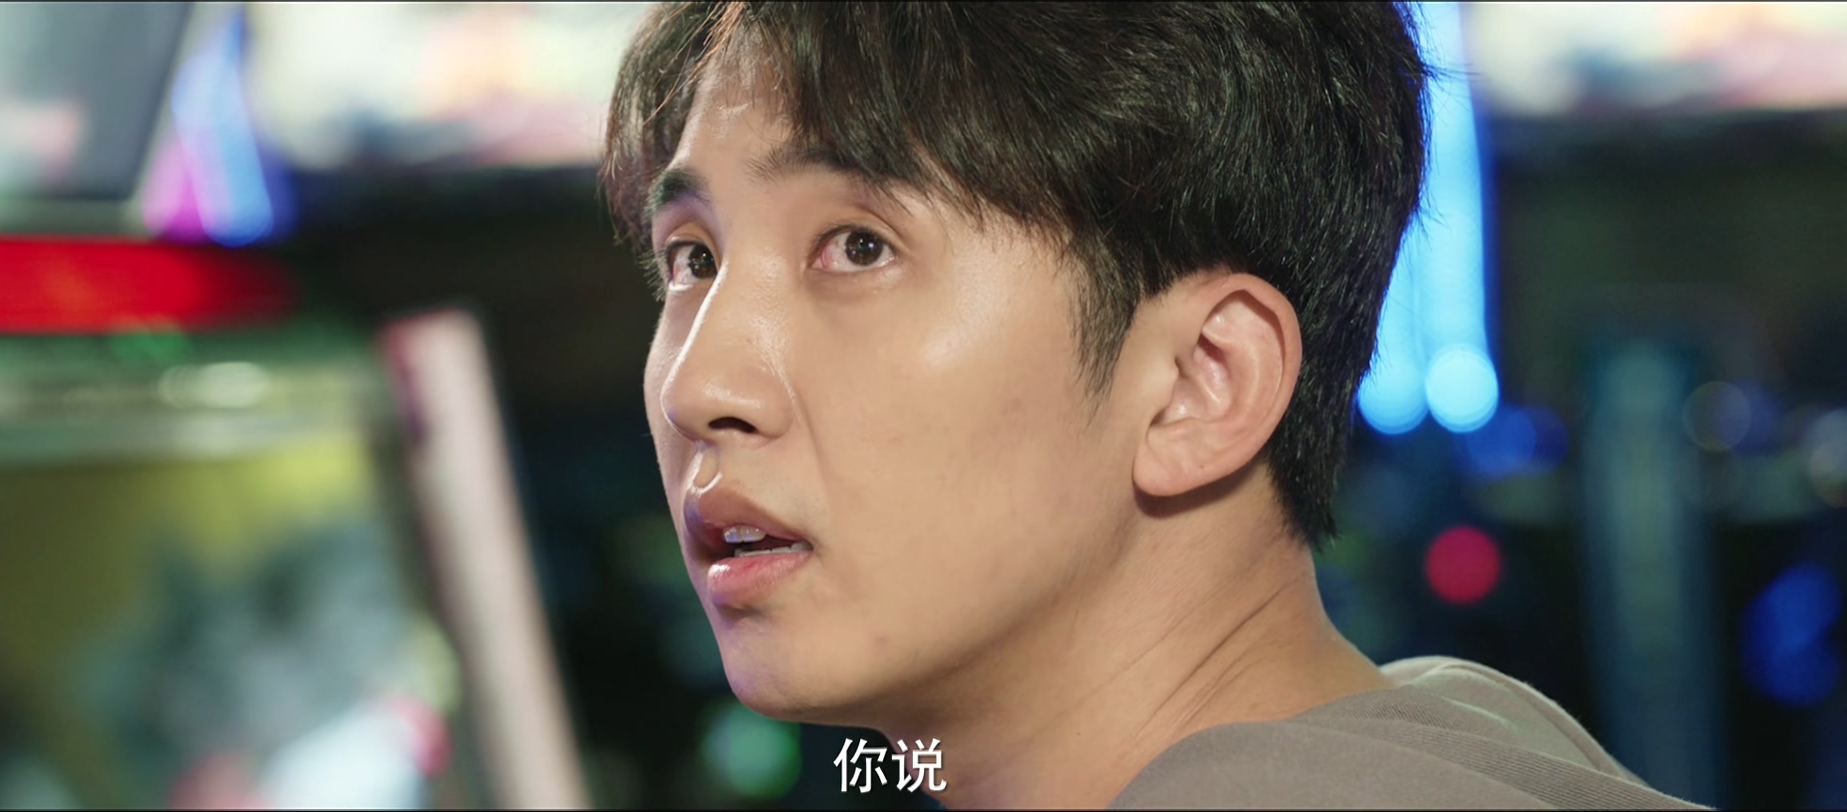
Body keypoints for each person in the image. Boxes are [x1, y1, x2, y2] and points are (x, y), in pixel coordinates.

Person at [599, 3, 1705, 808]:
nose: (702, 386)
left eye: (857, 246)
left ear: (1200, 382)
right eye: (692, 258)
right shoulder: (1461, 734)